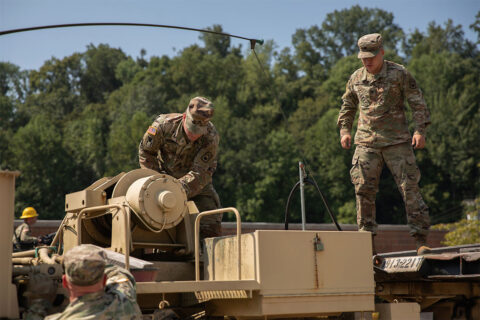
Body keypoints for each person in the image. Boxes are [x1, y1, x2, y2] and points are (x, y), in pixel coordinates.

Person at [337, 33, 431, 255]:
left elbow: (417, 103)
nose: (367, 61)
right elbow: (348, 105)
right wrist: (344, 130)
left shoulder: (399, 74)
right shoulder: (356, 78)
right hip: (366, 142)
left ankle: (420, 241)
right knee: (363, 190)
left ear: (382, 52)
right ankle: (366, 245)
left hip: (397, 141)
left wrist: (420, 130)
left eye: (371, 56)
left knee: (409, 189)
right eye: (363, 57)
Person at [139, 96, 222, 239]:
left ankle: (204, 256)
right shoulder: (163, 126)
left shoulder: (210, 137)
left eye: (198, 131)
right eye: (192, 129)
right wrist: (157, 182)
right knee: (154, 218)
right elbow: (146, 152)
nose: (193, 135)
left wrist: (177, 189)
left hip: (196, 185)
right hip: (163, 180)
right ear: (184, 117)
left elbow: (201, 173)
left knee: (211, 219)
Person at [45, 244, 142, 320]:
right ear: (104, 280)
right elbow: (121, 276)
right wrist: (95, 262)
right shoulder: (124, 302)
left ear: (65, 282)